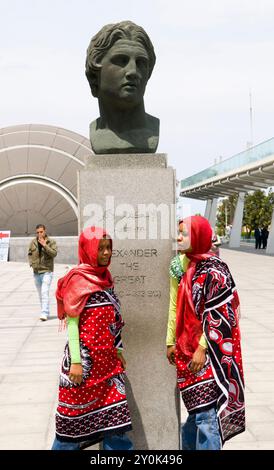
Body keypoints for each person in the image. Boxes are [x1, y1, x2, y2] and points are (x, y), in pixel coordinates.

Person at [166, 216, 245, 450]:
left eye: (184, 233)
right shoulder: (179, 266)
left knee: (206, 416)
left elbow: (219, 314)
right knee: (197, 413)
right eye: (178, 232)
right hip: (184, 349)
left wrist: (202, 347)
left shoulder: (215, 269)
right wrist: (170, 341)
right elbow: (173, 306)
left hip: (209, 353)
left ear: (199, 236)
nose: (178, 237)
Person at [51, 226, 133, 450]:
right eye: (101, 248)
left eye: (109, 248)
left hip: (109, 369)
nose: (106, 253)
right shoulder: (76, 280)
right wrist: (76, 362)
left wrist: (118, 351)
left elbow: (114, 321)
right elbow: (73, 325)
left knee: (117, 428)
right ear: (88, 249)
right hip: (83, 370)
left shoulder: (106, 279)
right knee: (70, 432)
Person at [85, 21, 159, 154]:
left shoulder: (151, 133)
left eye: (140, 63)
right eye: (121, 60)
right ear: (94, 76)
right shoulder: (97, 134)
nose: (133, 72)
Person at [28, 224, 57, 321]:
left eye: (41, 232)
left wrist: (45, 245)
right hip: (36, 272)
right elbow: (30, 253)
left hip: (47, 271)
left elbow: (54, 254)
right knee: (40, 293)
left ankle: (44, 313)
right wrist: (31, 263)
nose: (39, 234)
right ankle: (43, 311)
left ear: (45, 231)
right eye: (37, 232)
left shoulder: (51, 242)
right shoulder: (33, 242)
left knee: (44, 292)